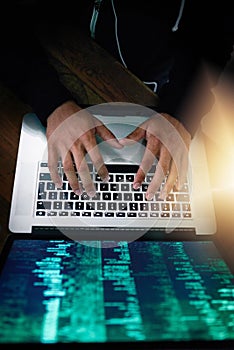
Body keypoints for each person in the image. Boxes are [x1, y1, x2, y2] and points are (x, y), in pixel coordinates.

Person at [0, 0, 234, 200]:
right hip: (64, 55)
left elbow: (214, 34)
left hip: (158, 82)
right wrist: (51, 101)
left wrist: (181, 111)